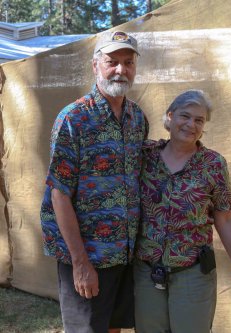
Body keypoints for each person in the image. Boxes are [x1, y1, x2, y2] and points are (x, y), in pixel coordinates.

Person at [40, 31, 148, 333]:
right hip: (88, 254)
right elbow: (59, 194)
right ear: (95, 66)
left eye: (128, 63)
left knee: (114, 327)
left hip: (123, 253)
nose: (120, 70)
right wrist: (80, 263)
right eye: (112, 62)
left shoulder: (137, 118)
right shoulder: (73, 118)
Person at [134, 89, 231, 333]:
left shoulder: (213, 164)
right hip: (146, 272)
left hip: (192, 274)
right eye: (184, 116)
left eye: (199, 120)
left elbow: (225, 218)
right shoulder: (146, 156)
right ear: (170, 117)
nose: (191, 124)